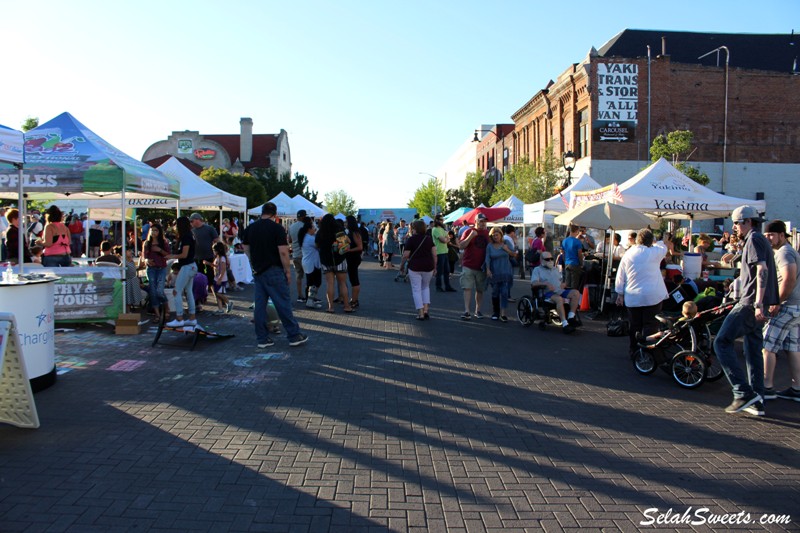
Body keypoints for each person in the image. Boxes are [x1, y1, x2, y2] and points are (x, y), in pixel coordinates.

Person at [713, 206, 779, 416]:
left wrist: (758, 303)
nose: (734, 227)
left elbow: (762, 270)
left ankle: (742, 392)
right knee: (752, 348)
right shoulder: (758, 239)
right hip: (757, 302)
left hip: (751, 303)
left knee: (721, 342)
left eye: (736, 223)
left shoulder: (754, 239)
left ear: (747, 222)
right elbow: (756, 271)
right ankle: (757, 400)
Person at [241, 202, 308, 348]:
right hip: (274, 270)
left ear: (262, 212)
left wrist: (254, 262)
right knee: (283, 303)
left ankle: (262, 338)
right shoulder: (277, 228)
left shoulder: (250, 228)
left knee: (259, 306)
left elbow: (246, 248)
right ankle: (294, 335)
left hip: (258, 271)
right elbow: (283, 252)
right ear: (275, 214)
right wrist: (288, 271)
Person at [761, 220, 800, 403]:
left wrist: (777, 301)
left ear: (782, 235)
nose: (768, 238)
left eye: (772, 235)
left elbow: (789, 278)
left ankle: (766, 387)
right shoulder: (787, 251)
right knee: (793, 348)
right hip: (796, 307)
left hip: (787, 306)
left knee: (767, 346)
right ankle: (797, 388)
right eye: (767, 235)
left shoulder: (784, 253)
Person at [615, 228, 668, 356]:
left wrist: (619, 294)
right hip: (653, 295)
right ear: (651, 241)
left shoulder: (628, 254)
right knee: (651, 325)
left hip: (633, 296)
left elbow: (620, 275)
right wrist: (656, 241)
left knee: (635, 325)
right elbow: (663, 246)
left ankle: (634, 350)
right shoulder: (655, 252)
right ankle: (649, 351)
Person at [530, 251, 581, 333]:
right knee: (559, 299)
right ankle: (565, 324)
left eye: (551, 259)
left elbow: (561, 281)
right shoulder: (537, 270)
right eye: (547, 259)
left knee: (576, 293)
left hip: (559, 290)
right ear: (542, 260)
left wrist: (564, 284)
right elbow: (533, 283)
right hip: (546, 293)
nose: (550, 261)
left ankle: (571, 317)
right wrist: (545, 283)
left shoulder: (555, 269)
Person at [165, 216, 198, 330]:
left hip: (187, 266)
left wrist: (172, 256)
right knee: (188, 292)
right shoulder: (189, 235)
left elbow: (184, 254)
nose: (174, 227)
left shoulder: (186, 237)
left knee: (176, 291)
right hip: (190, 266)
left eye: (176, 225)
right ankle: (192, 318)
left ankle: (179, 318)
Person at [316, 214, 353, 313]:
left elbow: (316, 245)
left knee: (330, 284)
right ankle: (346, 306)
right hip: (339, 259)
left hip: (326, 261)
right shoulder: (339, 230)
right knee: (342, 283)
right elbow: (347, 242)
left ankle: (331, 307)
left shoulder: (320, 232)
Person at [400, 219, 436, 320]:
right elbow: (434, 254)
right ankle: (426, 310)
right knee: (426, 288)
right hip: (428, 266)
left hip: (415, 267)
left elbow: (406, 255)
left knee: (416, 289)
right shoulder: (429, 239)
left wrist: (401, 265)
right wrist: (435, 266)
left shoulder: (411, 239)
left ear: (414, 229)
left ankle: (420, 313)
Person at [458, 213, 490, 320]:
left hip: (481, 266)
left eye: (484, 221)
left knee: (480, 289)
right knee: (467, 288)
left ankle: (478, 310)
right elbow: (461, 245)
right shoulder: (468, 231)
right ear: (475, 221)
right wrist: (471, 236)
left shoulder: (487, 233)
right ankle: (467, 311)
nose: (483, 223)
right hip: (468, 264)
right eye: (481, 221)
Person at [484, 226, 515, 322]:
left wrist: (507, 250)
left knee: (505, 292)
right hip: (495, 272)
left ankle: (503, 314)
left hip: (505, 271)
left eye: (497, 235)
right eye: (493, 236)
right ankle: (496, 312)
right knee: (495, 292)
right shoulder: (489, 246)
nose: (495, 237)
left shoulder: (506, 243)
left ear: (501, 235)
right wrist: (488, 269)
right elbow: (487, 258)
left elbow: (514, 254)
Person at [140, 223, 169, 321]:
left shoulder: (164, 243)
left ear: (159, 232)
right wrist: (146, 260)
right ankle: (157, 314)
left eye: (156, 230)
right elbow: (144, 257)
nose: (153, 232)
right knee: (152, 291)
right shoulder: (146, 243)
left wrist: (159, 250)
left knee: (159, 291)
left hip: (161, 268)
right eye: (152, 230)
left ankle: (166, 307)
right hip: (151, 269)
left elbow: (168, 254)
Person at [189, 212, 219, 298]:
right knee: (198, 276)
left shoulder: (209, 228)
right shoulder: (192, 231)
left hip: (209, 256)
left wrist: (217, 253)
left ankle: (214, 293)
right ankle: (201, 293)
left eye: (192, 221)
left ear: (198, 220)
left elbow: (216, 240)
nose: (191, 223)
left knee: (210, 276)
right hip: (196, 257)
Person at [298, 219, 323, 309]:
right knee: (316, 282)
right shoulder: (310, 239)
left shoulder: (305, 237)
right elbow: (319, 245)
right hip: (312, 263)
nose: (315, 229)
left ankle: (309, 300)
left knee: (310, 282)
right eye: (313, 228)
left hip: (308, 262)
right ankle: (310, 300)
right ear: (309, 229)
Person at [288, 210, 308, 303]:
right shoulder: (306, 226)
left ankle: (300, 295)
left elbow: (290, 240)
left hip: (295, 254)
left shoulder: (291, 226)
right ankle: (309, 295)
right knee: (309, 276)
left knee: (298, 276)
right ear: (304, 216)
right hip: (305, 254)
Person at [432, 216, 455, 292]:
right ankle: (438, 286)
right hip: (439, 252)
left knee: (446, 271)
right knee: (439, 271)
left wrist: (446, 239)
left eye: (442, 220)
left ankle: (447, 286)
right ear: (437, 220)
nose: (442, 221)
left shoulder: (442, 229)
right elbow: (444, 240)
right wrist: (447, 239)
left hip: (445, 252)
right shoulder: (435, 229)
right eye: (441, 220)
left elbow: (447, 239)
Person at [345, 215, 363, 309]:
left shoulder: (355, 233)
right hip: (352, 258)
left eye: (346, 222)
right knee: (353, 278)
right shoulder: (351, 232)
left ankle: (354, 300)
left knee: (354, 279)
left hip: (354, 258)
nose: (345, 223)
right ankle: (354, 299)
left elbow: (360, 247)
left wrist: (349, 250)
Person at [211, 241, 233, 313]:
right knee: (217, 294)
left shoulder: (222, 258)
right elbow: (217, 266)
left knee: (218, 293)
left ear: (218, 250)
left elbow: (223, 269)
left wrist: (220, 279)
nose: (213, 251)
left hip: (221, 279)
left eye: (214, 250)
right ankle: (220, 309)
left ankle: (228, 302)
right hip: (216, 277)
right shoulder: (218, 257)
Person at [562, 224, 584, 290]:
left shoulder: (564, 240)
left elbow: (563, 253)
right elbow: (579, 254)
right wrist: (581, 263)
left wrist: (565, 261)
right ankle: (574, 298)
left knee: (567, 283)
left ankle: (567, 298)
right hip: (575, 263)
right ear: (577, 231)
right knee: (575, 284)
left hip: (567, 263)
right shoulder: (577, 241)